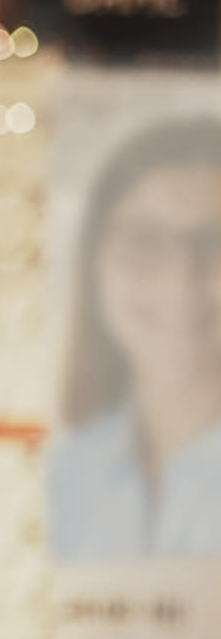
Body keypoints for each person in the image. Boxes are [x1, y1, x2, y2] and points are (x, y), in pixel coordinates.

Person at [47, 116, 221, 558]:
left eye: (215, 242)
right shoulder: (65, 470)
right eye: (145, 241)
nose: (181, 280)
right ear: (93, 261)